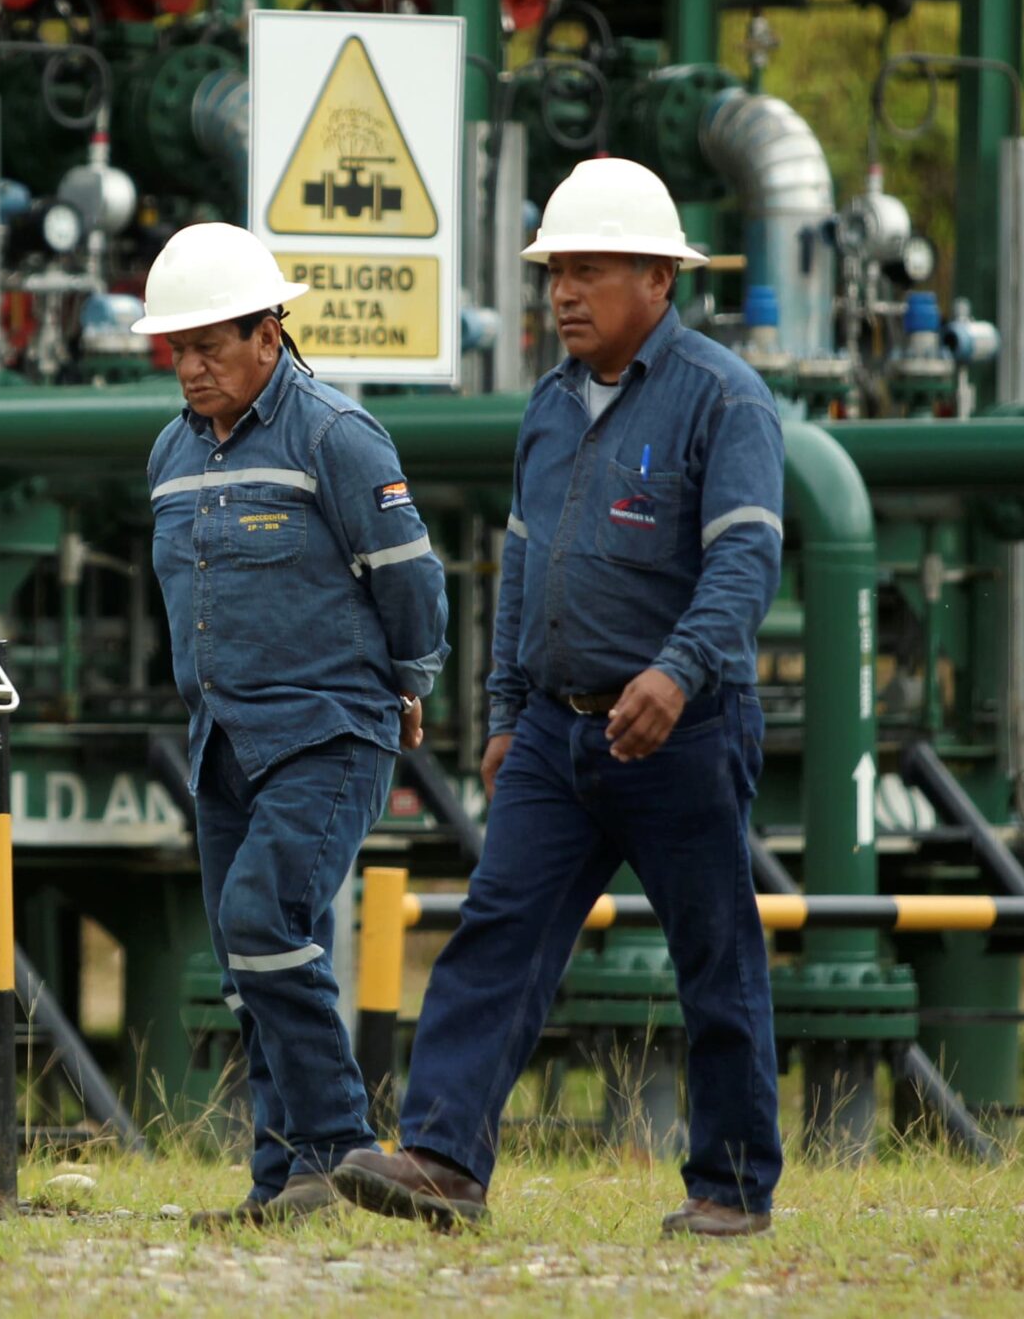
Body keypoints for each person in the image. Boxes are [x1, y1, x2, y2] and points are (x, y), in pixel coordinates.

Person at [334, 158, 786, 1239]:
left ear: (659, 282)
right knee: (497, 931)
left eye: (589, 271)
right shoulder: (546, 408)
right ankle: (444, 1159)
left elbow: (745, 566)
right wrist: (500, 715)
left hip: (679, 733)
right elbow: (523, 568)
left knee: (713, 952)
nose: (565, 295)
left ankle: (729, 1189)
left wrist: (674, 676)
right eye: (555, 274)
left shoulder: (724, 400)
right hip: (553, 731)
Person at [134, 221, 450, 1225]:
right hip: (221, 739)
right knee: (256, 965)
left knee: (260, 925)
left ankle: (343, 1145)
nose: (189, 367)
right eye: (175, 349)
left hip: (326, 727)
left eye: (209, 346)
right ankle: (289, 1186)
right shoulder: (168, 456)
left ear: (269, 335)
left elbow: (411, 581)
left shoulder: (333, 436)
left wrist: (410, 680)